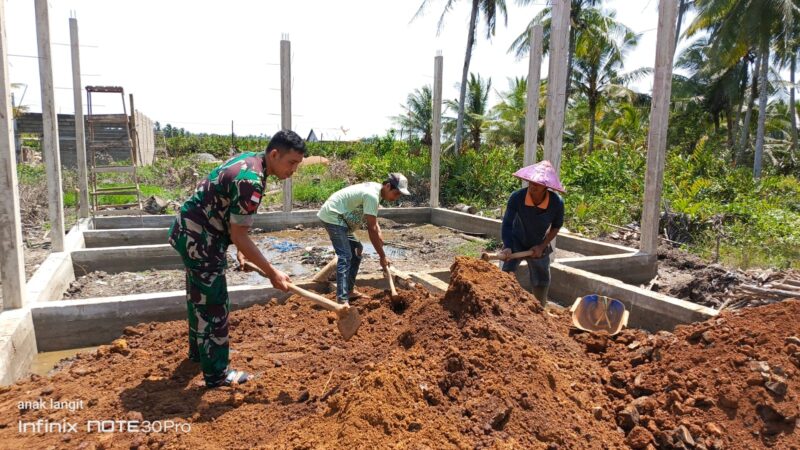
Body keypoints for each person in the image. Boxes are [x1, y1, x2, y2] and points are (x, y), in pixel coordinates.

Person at [168, 130, 306, 387]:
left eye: (297, 164)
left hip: (188, 232)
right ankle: (218, 374)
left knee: (199, 296)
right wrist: (271, 272)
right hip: (202, 240)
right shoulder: (251, 180)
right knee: (214, 304)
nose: (293, 170)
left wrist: (240, 250)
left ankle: (200, 354)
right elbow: (239, 233)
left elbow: (232, 219)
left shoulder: (250, 162)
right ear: (274, 154)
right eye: (291, 162)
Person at [317, 173, 411, 305]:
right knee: (345, 256)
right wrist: (382, 256)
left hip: (342, 220)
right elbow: (371, 229)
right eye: (396, 193)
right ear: (388, 186)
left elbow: (374, 221)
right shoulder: (372, 195)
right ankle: (342, 299)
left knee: (357, 250)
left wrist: (379, 233)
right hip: (334, 216)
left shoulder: (376, 191)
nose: (396, 198)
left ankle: (349, 291)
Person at [500, 160, 565, 307]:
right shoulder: (517, 197)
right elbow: (507, 223)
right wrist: (508, 246)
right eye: (530, 182)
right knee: (506, 274)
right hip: (516, 240)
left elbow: (556, 226)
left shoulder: (556, 203)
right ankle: (503, 307)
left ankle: (540, 308)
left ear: (546, 187)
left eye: (537, 184)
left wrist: (542, 246)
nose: (532, 185)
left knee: (542, 277)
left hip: (538, 243)